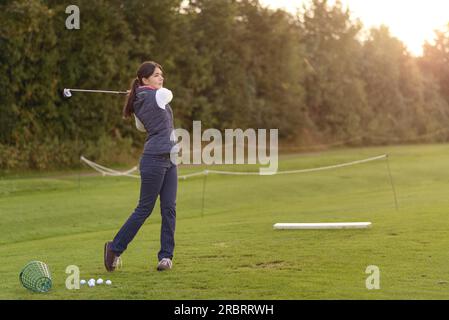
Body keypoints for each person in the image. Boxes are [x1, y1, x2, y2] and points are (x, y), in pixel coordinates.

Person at [104, 61, 178, 272]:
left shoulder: (140, 100)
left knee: (169, 208)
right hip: (154, 159)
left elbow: (141, 127)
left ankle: (165, 257)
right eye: (156, 75)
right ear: (144, 79)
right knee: (145, 208)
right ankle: (114, 248)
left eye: (161, 75)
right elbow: (168, 94)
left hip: (170, 158)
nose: (161, 78)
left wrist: (139, 93)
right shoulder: (160, 95)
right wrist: (145, 92)